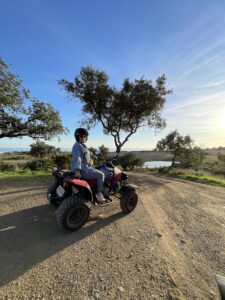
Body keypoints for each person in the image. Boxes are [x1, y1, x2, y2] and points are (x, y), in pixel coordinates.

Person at [71, 128, 106, 203]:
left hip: (85, 168)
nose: (83, 137)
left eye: (84, 136)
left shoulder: (82, 146)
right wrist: (77, 170)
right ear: (78, 137)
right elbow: (78, 158)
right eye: (81, 136)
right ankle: (99, 193)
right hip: (83, 170)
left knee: (96, 171)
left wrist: (94, 156)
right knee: (101, 175)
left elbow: (88, 153)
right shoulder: (78, 146)